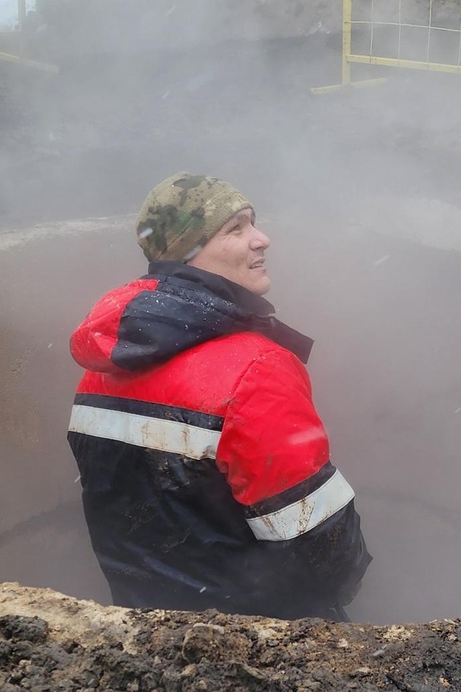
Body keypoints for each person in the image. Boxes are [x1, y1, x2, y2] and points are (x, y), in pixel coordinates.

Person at [66, 172, 371, 621]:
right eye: (237, 228)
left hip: (144, 627)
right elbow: (323, 550)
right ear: (189, 252)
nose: (261, 239)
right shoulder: (257, 370)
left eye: (253, 223)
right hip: (254, 639)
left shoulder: (104, 366)